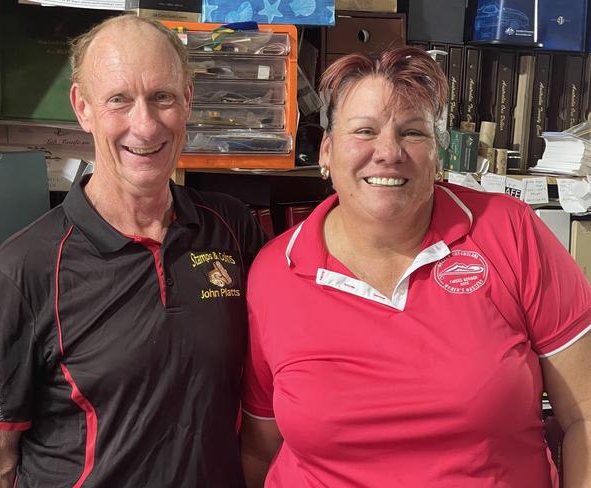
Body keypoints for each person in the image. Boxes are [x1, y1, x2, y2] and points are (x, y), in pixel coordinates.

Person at [241, 46, 591, 488]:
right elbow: (258, 447)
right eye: (364, 131)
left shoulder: (510, 232)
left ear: (438, 156)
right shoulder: (275, 271)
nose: (388, 152)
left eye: (413, 133)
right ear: (326, 152)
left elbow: (587, 414)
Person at [0, 15, 265, 487]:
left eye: (163, 97)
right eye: (119, 100)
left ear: (189, 101)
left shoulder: (232, 228)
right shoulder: (20, 271)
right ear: (83, 107)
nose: (145, 124)